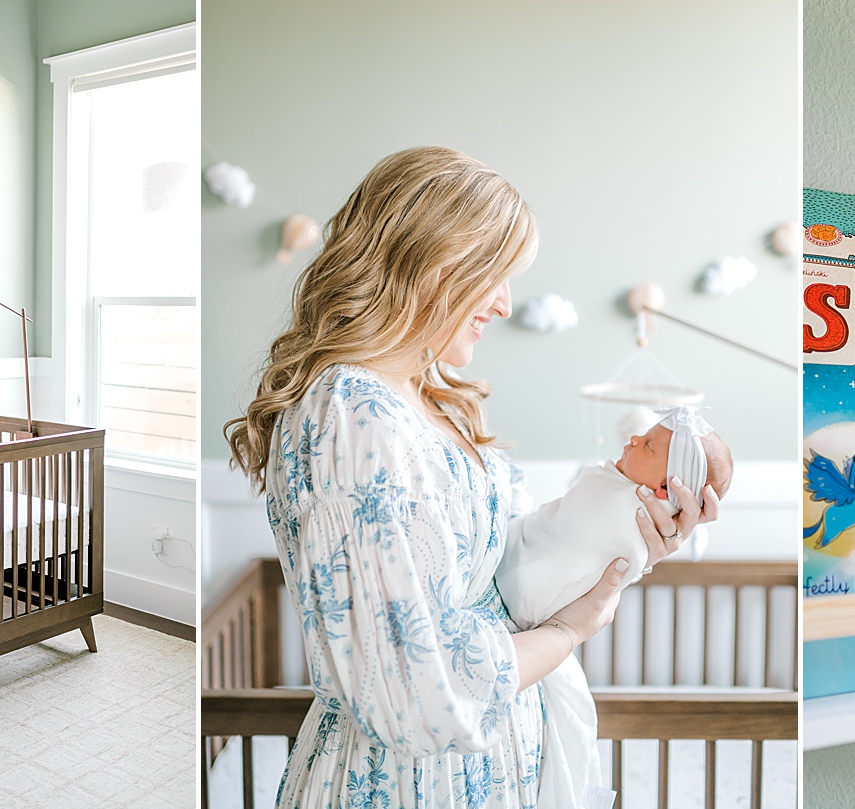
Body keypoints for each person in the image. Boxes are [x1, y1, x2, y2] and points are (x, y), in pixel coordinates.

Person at [225, 146, 719, 807]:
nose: (507, 304)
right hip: (408, 785)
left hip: (493, 769)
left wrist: (626, 536)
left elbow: (511, 576)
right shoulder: (350, 409)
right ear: (435, 262)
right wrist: (569, 632)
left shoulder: (427, 395)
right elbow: (411, 694)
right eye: (497, 275)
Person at [494, 407, 732, 806]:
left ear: (663, 489)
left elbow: (603, 553)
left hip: (521, 605)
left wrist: (639, 559)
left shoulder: (631, 511)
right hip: (514, 563)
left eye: (649, 444)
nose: (635, 438)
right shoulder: (616, 485)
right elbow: (558, 526)